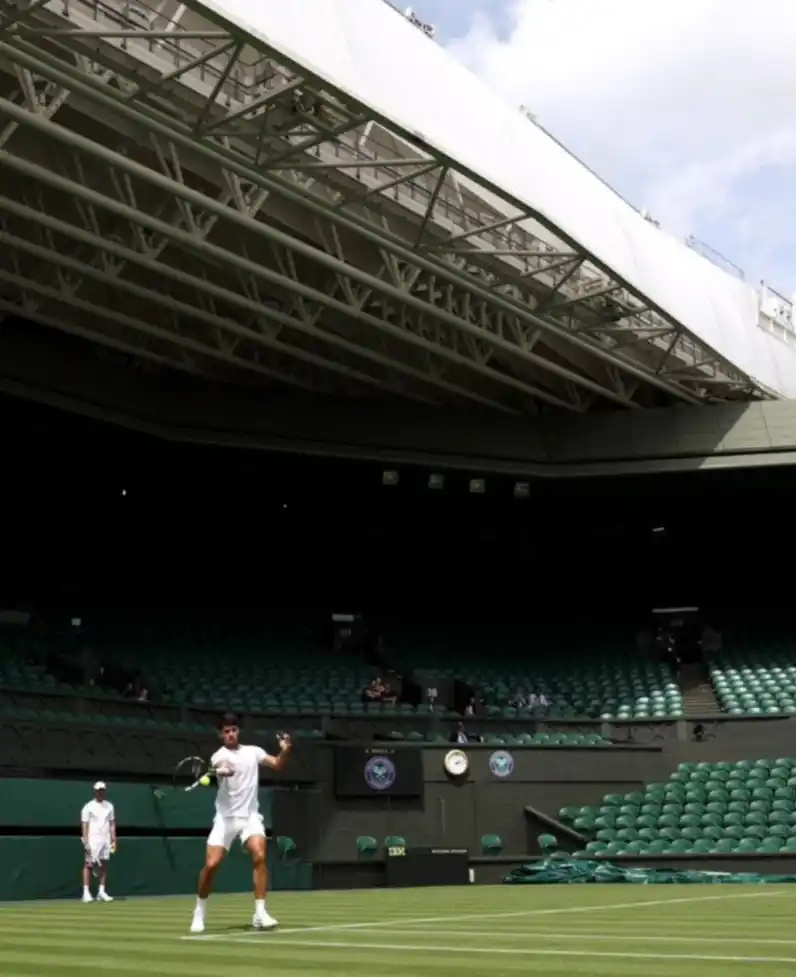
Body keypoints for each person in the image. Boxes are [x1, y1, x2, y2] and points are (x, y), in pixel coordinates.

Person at [190, 713, 292, 934]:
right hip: (225, 819)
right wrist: (224, 771)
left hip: (250, 817)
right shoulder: (219, 756)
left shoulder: (253, 752)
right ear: (221, 735)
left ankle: (260, 913)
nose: (231, 734)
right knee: (211, 865)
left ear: (238, 731)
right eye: (226, 731)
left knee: (260, 855)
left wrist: (285, 749)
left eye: (233, 730)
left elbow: (277, 765)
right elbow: (223, 765)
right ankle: (199, 911)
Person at [81, 780, 116, 903]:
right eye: (98, 791)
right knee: (88, 865)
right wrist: (86, 841)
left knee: (104, 865)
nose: (100, 793)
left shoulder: (110, 806)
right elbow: (85, 825)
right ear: (94, 792)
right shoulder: (88, 807)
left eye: (102, 790)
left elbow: (112, 824)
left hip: (105, 840)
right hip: (92, 839)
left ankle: (101, 892)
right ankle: (86, 892)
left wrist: (113, 839)